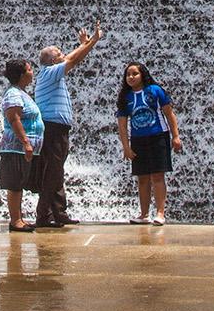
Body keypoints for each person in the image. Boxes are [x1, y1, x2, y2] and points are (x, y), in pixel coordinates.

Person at [31, 22, 104, 227]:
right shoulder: (49, 72)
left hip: (57, 129)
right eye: (59, 52)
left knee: (56, 170)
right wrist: (92, 41)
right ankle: (43, 215)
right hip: (53, 128)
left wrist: (85, 44)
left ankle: (59, 212)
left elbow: (71, 56)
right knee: (53, 172)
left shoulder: (51, 73)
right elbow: (73, 58)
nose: (63, 53)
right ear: (53, 60)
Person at [114, 62, 182, 224]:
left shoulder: (155, 91)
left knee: (157, 176)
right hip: (138, 140)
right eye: (128, 74)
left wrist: (176, 136)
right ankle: (144, 215)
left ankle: (160, 213)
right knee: (142, 178)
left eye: (134, 74)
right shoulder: (125, 97)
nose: (131, 77)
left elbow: (169, 114)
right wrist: (126, 146)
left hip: (158, 136)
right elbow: (122, 124)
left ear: (142, 75)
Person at [0, 59, 43, 233]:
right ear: (21, 75)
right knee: (15, 184)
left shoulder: (20, 92)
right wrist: (26, 142)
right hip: (15, 147)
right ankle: (15, 220)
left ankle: (19, 218)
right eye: (30, 69)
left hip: (21, 147)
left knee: (19, 183)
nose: (33, 72)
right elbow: (14, 118)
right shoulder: (13, 94)